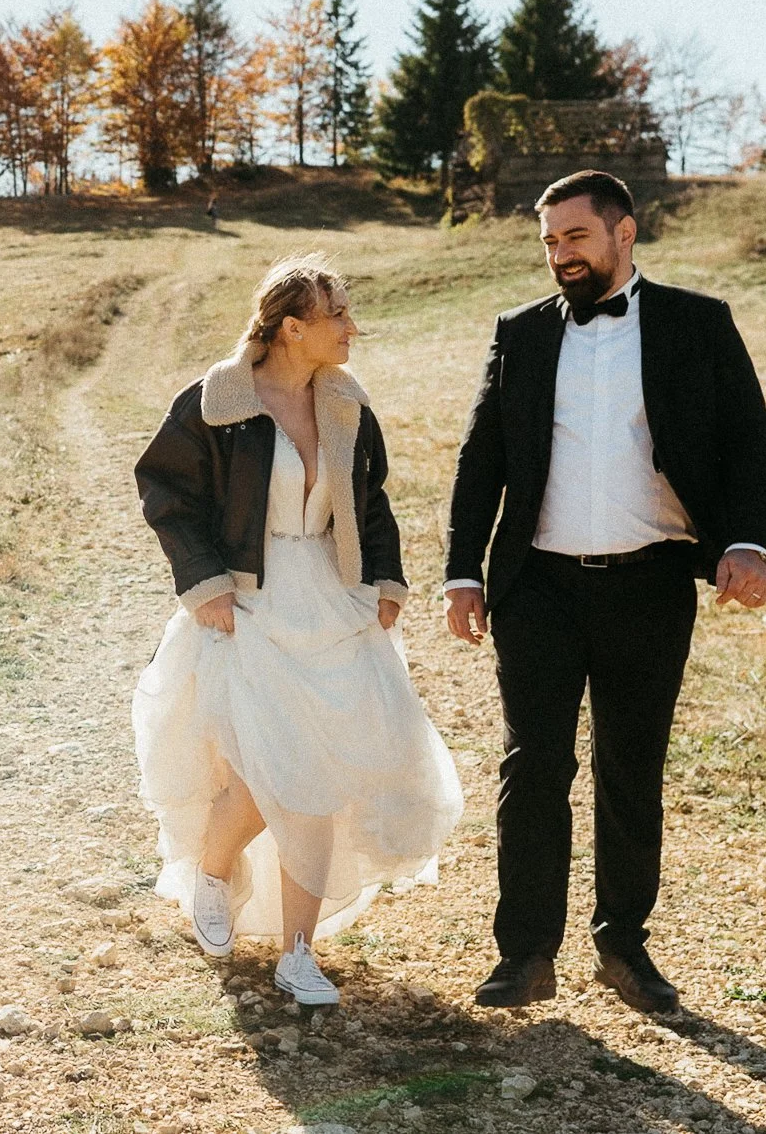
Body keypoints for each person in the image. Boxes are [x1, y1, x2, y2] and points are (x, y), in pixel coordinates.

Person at [443, 169, 766, 1013]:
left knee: (633, 768)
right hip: (538, 589)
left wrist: (745, 544)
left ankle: (623, 945)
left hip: (653, 582)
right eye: (550, 241)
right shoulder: (519, 333)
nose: (559, 254)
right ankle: (525, 955)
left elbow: (746, 440)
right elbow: (480, 458)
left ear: (624, 234)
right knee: (533, 766)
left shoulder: (698, 325)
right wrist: (463, 571)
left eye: (575, 237)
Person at [133, 255, 463, 1005]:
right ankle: (213, 875)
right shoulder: (216, 402)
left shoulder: (346, 402)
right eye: (338, 313)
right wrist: (203, 583)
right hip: (248, 599)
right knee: (266, 767)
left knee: (324, 777)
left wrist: (385, 579)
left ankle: (299, 953)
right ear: (292, 327)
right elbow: (166, 492)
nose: (353, 326)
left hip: (332, 596)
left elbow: (371, 502)